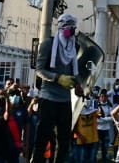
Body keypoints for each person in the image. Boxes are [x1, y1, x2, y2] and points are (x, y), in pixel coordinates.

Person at [30, 13, 84, 163]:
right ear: (61, 27)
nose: (71, 30)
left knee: (64, 141)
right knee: (42, 139)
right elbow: (39, 69)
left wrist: (78, 85)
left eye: (73, 27)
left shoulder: (75, 47)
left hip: (65, 100)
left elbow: (74, 71)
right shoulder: (48, 44)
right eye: (68, 27)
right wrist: (57, 78)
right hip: (48, 97)